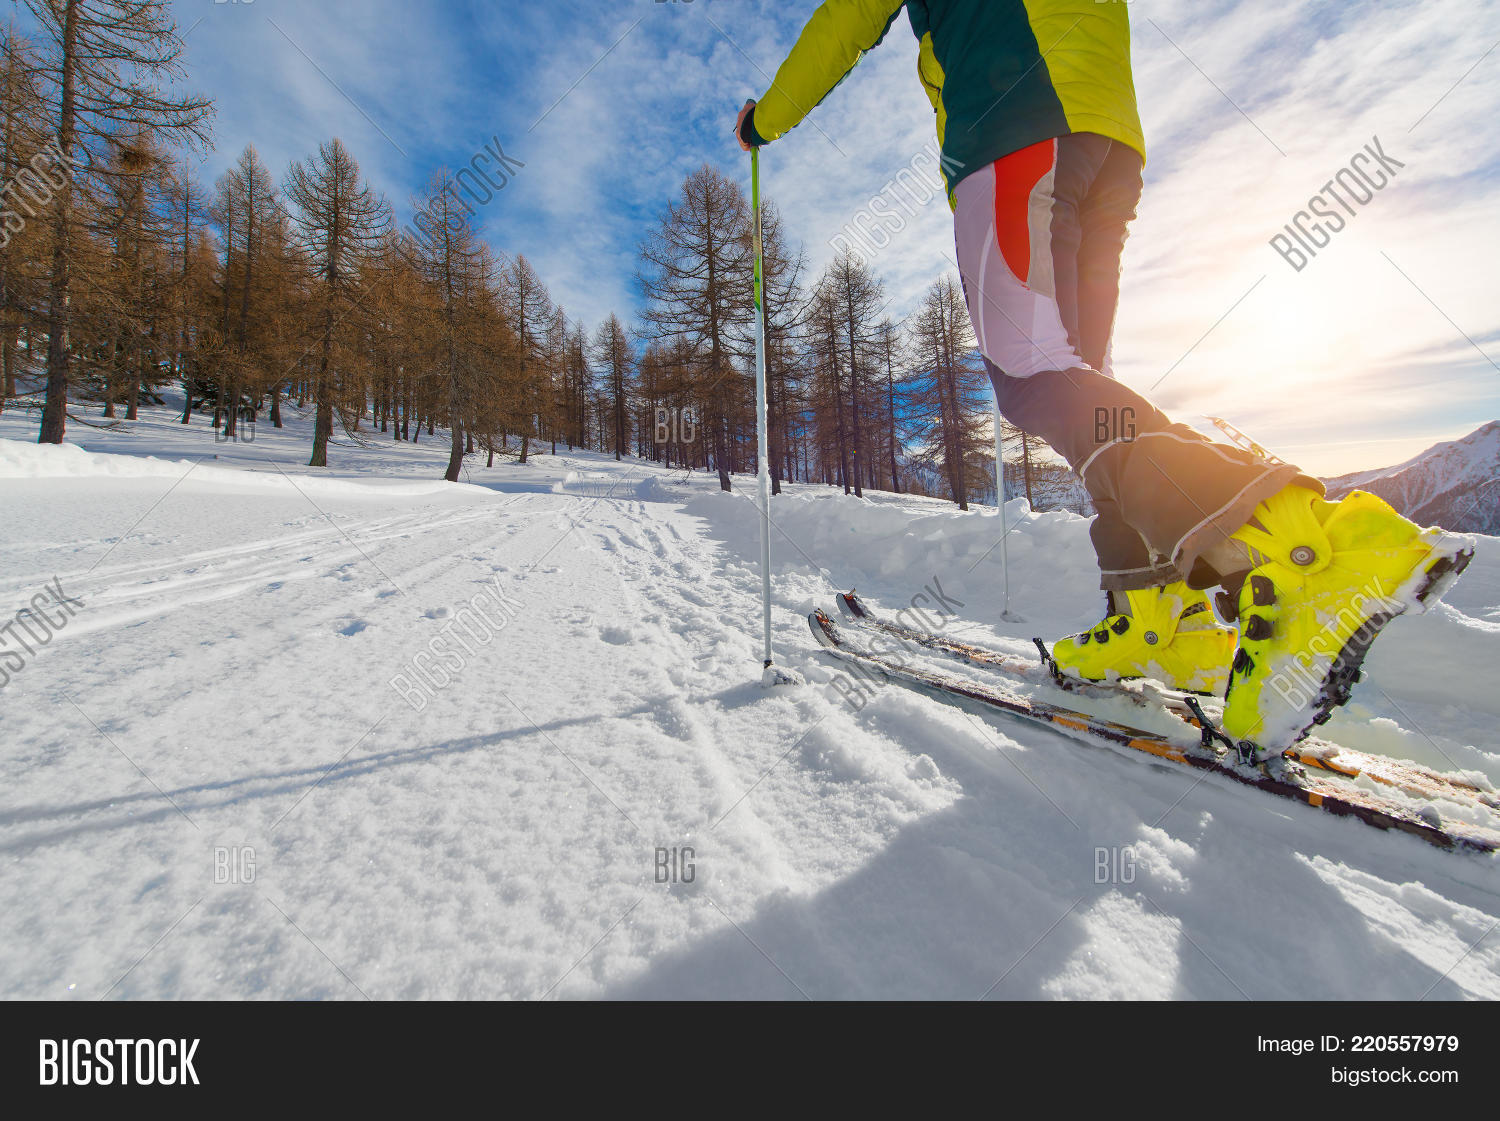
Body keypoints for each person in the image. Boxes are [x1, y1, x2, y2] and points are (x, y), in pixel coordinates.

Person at [734, 0, 1473, 756]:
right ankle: (1159, 614)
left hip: (1013, 121)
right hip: (1108, 135)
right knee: (1088, 383)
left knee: (1036, 375)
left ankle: (1296, 549)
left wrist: (765, 121)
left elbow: (848, 19)